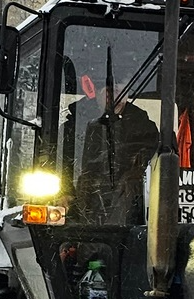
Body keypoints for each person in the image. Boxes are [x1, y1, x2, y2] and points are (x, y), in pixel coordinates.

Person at [61, 58, 159, 225]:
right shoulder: (74, 126)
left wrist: (134, 172)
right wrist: (65, 191)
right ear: (96, 93)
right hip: (82, 205)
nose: (115, 96)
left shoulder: (143, 127)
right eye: (109, 91)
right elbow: (59, 161)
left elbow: (154, 164)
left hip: (131, 210)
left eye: (122, 89)